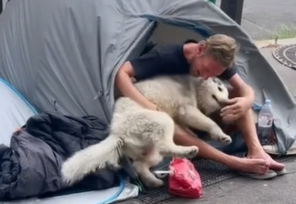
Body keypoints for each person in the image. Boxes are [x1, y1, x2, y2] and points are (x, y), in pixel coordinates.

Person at [114, 34, 285, 178]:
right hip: (165, 113)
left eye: (213, 74)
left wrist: (247, 99)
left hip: (194, 108)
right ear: (200, 49)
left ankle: (256, 150)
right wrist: (150, 107)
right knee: (169, 123)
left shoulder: (216, 61)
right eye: (205, 69)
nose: (206, 76)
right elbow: (121, 73)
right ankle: (233, 162)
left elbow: (243, 88)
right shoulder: (165, 56)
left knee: (236, 96)